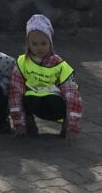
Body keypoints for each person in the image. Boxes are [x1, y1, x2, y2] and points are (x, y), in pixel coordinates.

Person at [9, 14, 82, 142]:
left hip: (55, 104)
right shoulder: (21, 62)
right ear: (28, 44)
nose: (39, 48)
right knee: (25, 98)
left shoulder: (60, 65)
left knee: (58, 101)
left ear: (50, 42)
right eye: (34, 44)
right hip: (33, 102)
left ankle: (65, 126)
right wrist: (19, 123)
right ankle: (27, 123)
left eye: (43, 43)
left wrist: (72, 127)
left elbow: (72, 96)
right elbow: (15, 93)